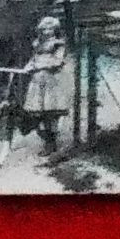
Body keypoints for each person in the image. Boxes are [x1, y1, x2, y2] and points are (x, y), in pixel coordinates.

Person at [22, 15, 70, 154]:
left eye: (50, 28)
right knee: (38, 111)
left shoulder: (58, 44)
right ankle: (43, 136)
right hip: (37, 80)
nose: (47, 31)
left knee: (50, 112)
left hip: (51, 80)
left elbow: (57, 61)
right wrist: (29, 66)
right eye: (44, 28)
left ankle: (51, 142)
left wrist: (40, 65)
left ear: (55, 29)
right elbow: (33, 58)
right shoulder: (37, 44)